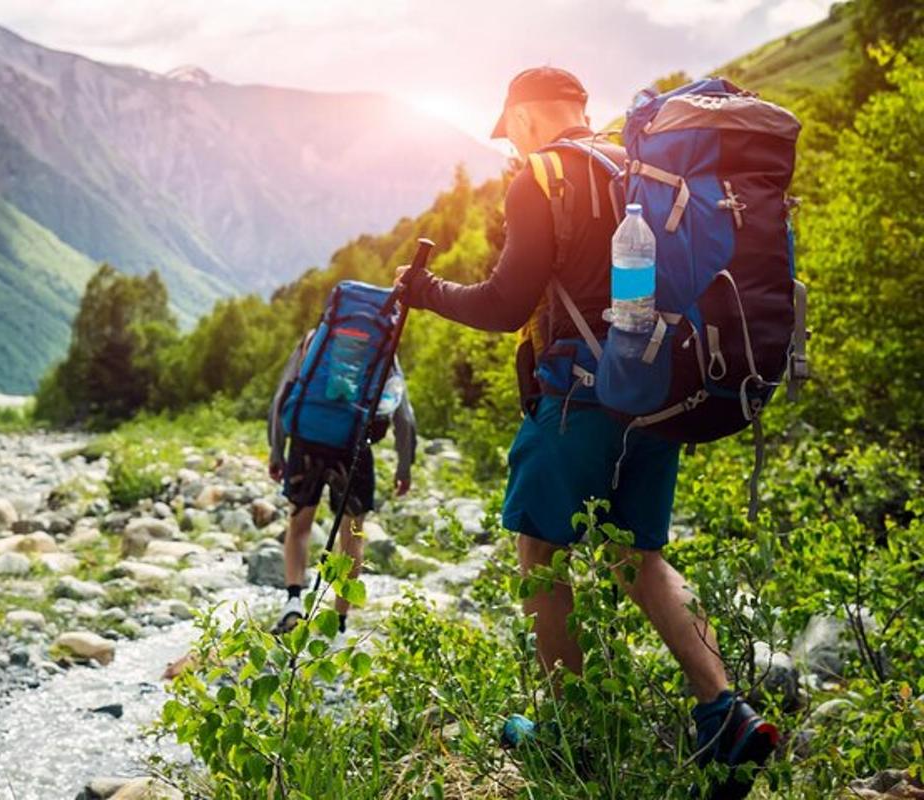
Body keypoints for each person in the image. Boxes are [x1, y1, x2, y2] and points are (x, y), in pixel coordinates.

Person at [396, 67, 778, 795]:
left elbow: (508, 303)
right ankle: (724, 712)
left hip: (579, 397)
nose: (508, 143)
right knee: (641, 555)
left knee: (540, 549)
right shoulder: (635, 169)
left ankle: (570, 730)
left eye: (509, 128)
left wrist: (426, 292)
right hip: (658, 397)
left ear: (528, 117)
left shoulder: (542, 176)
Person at [267, 331, 416, 635]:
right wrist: (404, 464)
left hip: (306, 441)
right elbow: (403, 413)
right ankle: (339, 622)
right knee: (352, 536)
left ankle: (294, 602)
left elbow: (283, 394)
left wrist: (276, 449)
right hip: (354, 447)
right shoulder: (382, 344)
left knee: (299, 525)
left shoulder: (314, 339)